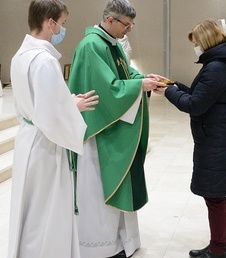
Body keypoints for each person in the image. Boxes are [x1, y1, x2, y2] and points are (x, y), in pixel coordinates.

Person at [66, 0, 167, 257]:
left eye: (131, 25)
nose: (129, 30)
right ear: (110, 20)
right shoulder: (92, 46)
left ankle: (122, 241)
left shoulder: (111, 44)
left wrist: (144, 80)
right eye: (126, 24)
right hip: (99, 133)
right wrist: (138, 86)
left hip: (112, 127)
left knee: (119, 185)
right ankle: (100, 247)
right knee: (99, 189)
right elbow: (106, 90)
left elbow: (125, 75)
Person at [7, 0, 99, 257]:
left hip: (28, 137)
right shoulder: (45, 61)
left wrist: (65, 102)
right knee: (46, 210)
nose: (63, 29)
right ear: (51, 23)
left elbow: (35, 103)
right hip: (46, 144)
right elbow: (50, 116)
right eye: (63, 23)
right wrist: (74, 107)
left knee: (30, 207)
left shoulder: (20, 55)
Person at [155, 19, 226, 258]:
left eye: (195, 42)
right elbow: (201, 94)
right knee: (213, 194)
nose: (194, 47)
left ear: (204, 42)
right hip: (217, 136)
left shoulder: (216, 67)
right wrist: (172, 84)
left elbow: (195, 105)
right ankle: (217, 244)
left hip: (219, 139)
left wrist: (168, 92)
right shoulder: (217, 64)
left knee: (215, 196)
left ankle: (218, 250)